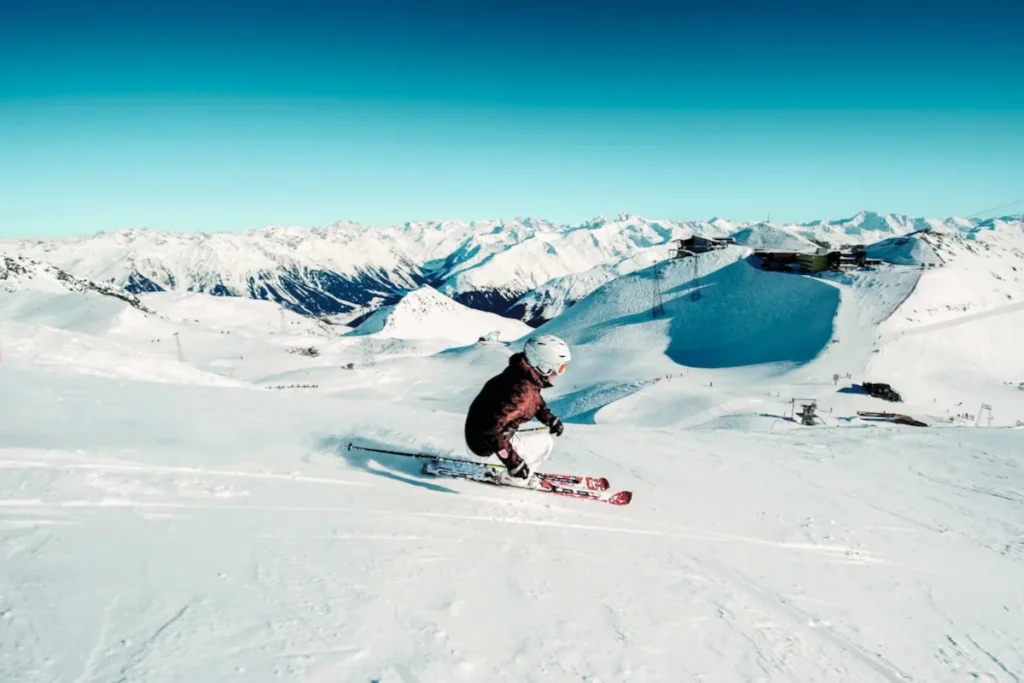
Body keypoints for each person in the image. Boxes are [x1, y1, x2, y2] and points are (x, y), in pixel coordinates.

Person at [464, 334, 570, 479]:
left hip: (476, 438)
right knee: (546, 442)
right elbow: (492, 430)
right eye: (559, 368)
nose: (559, 373)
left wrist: (549, 418)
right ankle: (516, 479)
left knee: (530, 433)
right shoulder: (522, 392)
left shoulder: (520, 376)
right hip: (486, 448)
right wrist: (514, 464)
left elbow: (535, 399)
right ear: (543, 366)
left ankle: (510, 465)